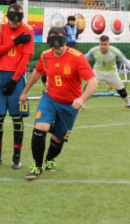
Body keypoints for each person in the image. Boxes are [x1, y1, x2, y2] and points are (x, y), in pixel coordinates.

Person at [19, 27, 97, 180]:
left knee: (57, 139)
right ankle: (37, 165)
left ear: (65, 40)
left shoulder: (77, 57)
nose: (57, 48)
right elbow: (37, 72)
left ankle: (49, 159)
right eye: (54, 45)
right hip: (49, 99)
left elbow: (93, 81)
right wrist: (25, 91)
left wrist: (82, 99)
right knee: (39, 129)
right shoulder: (45, 55)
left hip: (70, 105)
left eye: (60, 44)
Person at [0, 3, 33, 169]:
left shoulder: (27, 29)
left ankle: (16, 158)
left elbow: (25, 59)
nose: (15, 23)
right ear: (7, 16)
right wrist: (15, 42)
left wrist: (14, 80)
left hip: (17, 78)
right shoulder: (0, 28)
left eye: (18, 20)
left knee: (17, 119)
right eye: (12, 19)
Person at [85, 36, 130, 110]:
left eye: (105, 44)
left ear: (109, 44)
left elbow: (126, 61)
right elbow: (83, 59)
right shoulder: (94, 50)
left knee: (121, 90)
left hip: (112, 73)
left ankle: (128, 104)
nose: (103, 46)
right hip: (97, 72)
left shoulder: (115, 51)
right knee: (88, 88)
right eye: (101, 44)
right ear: (99, 44)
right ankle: (81, 105)